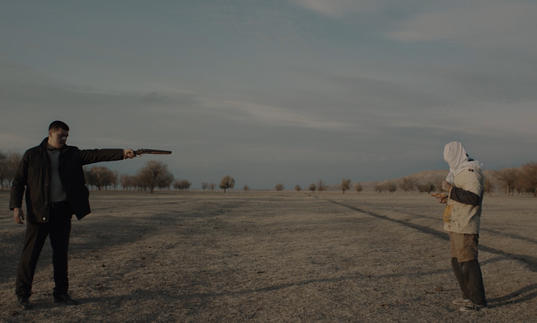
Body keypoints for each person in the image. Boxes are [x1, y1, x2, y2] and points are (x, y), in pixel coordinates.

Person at [9, 121, 136, 310]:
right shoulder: (32, 155)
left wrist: (121, 153)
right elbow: (18, 182)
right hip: (38, 213)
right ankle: (23, 295)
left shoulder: (72, 154)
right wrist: (16, 207)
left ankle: (61, 294)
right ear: (51, 133)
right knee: (30, 256)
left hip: (61, 212)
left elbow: (96, 154)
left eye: (67, 136)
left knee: (60, 256)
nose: (64, 139)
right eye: (61, 135)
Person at [434, 141, 487, 312]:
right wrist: (447, 197)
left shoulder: (471, 172)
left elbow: (473, 198)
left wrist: (450, 190)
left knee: (468, 261)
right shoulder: (458, 171)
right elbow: (461, 196)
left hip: (466, 224)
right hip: (455, 223)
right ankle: (467, 296)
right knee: (457, 261)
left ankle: (477, 301)